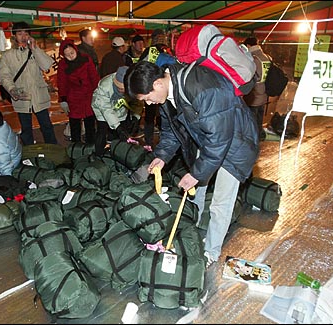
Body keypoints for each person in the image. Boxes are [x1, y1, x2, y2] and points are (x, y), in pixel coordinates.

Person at [125, 60, 259, 268]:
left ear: (158, 84)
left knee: (220, 204)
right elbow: (171, 131)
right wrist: (162, 156)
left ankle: (211, 252)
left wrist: (196, 173)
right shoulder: (167, 96)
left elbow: (219, 138)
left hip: (235, 145)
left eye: (148, 98)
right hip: (208, 142)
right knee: (197, 189)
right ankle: (191, 228)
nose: (149, 104)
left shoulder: (202, 88)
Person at [0, 21, 57, 145]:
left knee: (47, 127)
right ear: (14, 35)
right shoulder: (7, 55)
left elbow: (47, 65)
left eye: (26, 33)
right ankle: (29, 155)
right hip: (22, 97)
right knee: (26, 129)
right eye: (20, 33)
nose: (23, 36)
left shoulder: (34, 51)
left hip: (39, 95)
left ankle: (54, 152)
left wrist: (35, 48)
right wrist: (12, 89)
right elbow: (4, 76)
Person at [137, 33, 177, 149]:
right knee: (167, 115)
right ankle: (158, 140)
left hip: (152, 88)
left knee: (153, 115)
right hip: (160, 87)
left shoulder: (150, 51)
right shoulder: (166, 52)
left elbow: (141, 66)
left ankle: (150, 142)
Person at [91, 66, 143, 156]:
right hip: (102, 108)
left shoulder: (132, 86)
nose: (121, 90)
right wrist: (117, 126)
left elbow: (137, 102)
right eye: (119, 87)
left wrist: (136, 117)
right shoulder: (105, 86)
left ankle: (118, 153)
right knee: (102, 130)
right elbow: (106, 109)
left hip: (120, 107)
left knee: (121, 133)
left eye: (123, 88)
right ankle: (98, 155)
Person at [57, 39, 99, 144]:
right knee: (75, 125)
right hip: (73, 98)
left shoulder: (86, 59)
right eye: (67, 55)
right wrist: (63, 99)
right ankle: (76, 148)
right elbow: (62, 83)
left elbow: (94, 77)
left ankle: (91, 146)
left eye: (72, 53)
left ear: (75, 50)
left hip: (88, 96)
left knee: (90, 124)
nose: (70, 56)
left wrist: (98, 92)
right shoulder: (63, 65)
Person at [243, 36, 271, 140]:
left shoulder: (254, 58)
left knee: (252, 118)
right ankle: (260, 136)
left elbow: (250, 75)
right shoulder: (266, 57)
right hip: (264, 92)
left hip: (255, 93)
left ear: (249, 45)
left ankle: (253, 138)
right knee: (259, 118)